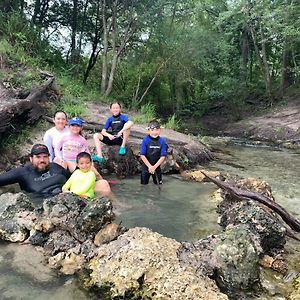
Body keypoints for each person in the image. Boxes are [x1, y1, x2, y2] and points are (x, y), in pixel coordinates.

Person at [54, 116, 111, 197]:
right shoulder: (64, 137)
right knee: (62, 165)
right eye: (73, 125)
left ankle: (101, 182)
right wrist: (60, 158)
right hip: (66, 160)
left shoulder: (82, 140)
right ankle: (62, 186)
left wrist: (91, 163)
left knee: (96, 173)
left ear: (81, 127)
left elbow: (86, 152)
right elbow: (56, 148)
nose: (75, 127)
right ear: (68, 126)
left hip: (78, 161)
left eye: (77, 126)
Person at [0, 144, 71, 199]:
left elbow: (74, 178)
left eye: (45, 156)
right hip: (43, 206)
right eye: (38, 157)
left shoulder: (55, 166)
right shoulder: (23, 172)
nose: (42, 160)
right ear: (31, 159)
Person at [140, 120, 167, 185]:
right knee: (143, 186)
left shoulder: (162, 141)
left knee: (159, 186)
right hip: (146, 167)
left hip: (157, 167)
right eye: (152, 130)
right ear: (148, 131)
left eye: (157, 130)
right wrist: (150, 166)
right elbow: (142, 155)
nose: (155, 132)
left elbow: (163, 156)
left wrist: (154, 167)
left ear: (160, 130)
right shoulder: (145, 140)